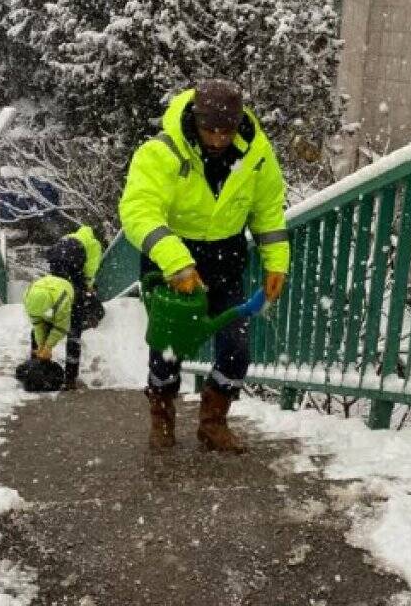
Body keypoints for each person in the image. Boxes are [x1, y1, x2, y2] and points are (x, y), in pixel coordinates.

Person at [119, 79, 289, 453]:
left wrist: (277, 264)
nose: (216, 140)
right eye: (209, 130)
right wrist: (176, 261)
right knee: (170, 344)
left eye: (224, 132)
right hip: (171, 258)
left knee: (236, 346)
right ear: (195, 121)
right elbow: (138, 210)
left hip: (226, 258)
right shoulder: (162, 152)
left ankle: (214, 423)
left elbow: (268, 211)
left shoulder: (257, 154)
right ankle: (161, 418)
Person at [27, 237, 88, 390]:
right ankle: (70, 377)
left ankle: (37, 365)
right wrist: (44, 345)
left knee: (71, 329)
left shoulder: (63, 299)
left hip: (65, 289)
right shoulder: (30, 296)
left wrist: (46, 346)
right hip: (66, 283)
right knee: (74, 335)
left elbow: (61, 326)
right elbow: (37, 322)